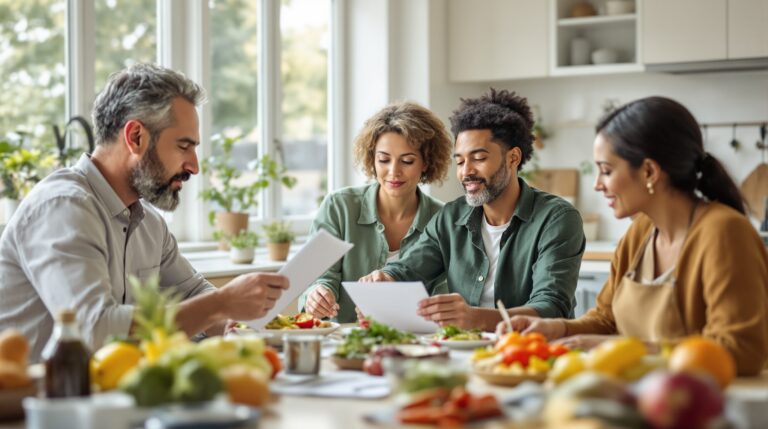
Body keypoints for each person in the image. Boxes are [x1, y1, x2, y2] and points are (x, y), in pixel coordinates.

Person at [0, 63, 289, 362]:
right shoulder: (62, 207)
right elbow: (94, 332)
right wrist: (222, 304)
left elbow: (193, 295)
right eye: (183, 146)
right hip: (32, 404)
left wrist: (231, 321)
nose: (194, 166)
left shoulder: (149, 223)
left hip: (108, 397)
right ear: (136, 137)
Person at [500, 96, 768, 375]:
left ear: (649, 171)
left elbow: (740, 350)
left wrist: (627, 349)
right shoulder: (641, 231)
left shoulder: (724, 232)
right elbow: (606, 319)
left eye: (606, 170)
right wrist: (557, 328)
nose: (596, 184)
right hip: (641, 397)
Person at [362, 89, 585, 332]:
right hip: (465, 351)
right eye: (459, 161)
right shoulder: (450, 218)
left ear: (513, 158)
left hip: (531, 353)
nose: (466, 171)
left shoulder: (556, 219)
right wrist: (384, 278)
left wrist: (475, 318)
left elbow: (551, 306)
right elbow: (408, 268)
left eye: (478, 158)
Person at [299, 102, 453, 323]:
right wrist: (318, 294)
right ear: (372, 158)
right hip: (342, 344)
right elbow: (316, 276)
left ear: (426, 162)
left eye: (407, 161)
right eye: (383, 160)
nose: (394, 172)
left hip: (415, 344)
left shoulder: (443, 219)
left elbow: (443, 294)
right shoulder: (339, 206)